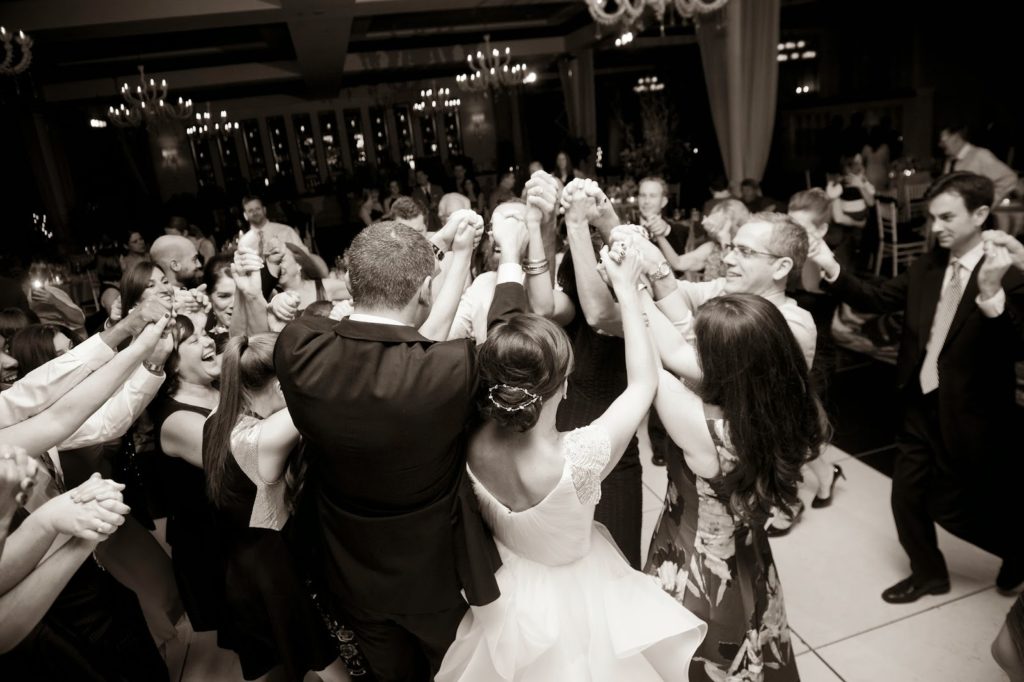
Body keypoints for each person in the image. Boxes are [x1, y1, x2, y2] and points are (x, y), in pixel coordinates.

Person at [437, 247, 706, 681]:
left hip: (509, 596)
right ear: (563, 386)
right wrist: (627, 288)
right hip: (584, 595)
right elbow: (643, 383)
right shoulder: (579, 456)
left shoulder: (467, 436)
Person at [274, 216, 523, 681]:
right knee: (456, 670)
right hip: (436, 575)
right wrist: (508, 261)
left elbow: (401, 346)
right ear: (427, 287)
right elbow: (512, 345)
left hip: (349, 568)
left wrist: (449, 250)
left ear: (348, 279)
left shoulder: (297, 347)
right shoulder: (448, 371)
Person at [807, 171, 1024, 602]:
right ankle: (928, 574)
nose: (935, 228)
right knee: (905, 497)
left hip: (974, 412)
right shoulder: (927, 266)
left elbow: (1017, 344)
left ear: (981, 214)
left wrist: (991, 294)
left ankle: (1017, 551)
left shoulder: (1011, 271)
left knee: (965, 507)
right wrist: (830, 265)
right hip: (918, 400)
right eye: (932, 218)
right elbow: (876, 296)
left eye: (947, 217)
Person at [646, 293, 823, 682]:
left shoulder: (706, 430)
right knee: (755, 637)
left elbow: (649, 369)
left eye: (701, 347)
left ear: (725, 366)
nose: (692, 349)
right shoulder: (784, 403)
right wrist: (639, 286)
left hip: (699, 569)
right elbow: (675, 349)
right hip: (749, 553)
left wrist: (627, 296)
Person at [202, 333, 350, 681]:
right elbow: (331, 393)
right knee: (326, 663)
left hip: (241, 566)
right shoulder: (263, 438)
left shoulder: (217, 418)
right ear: (279, 386)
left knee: (278, 660)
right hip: (276, 570)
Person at [940, 124, 1018, 204]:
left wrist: (986, 203)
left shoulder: (981, 155)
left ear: (956, 138)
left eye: (943, 141)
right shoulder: (951, 160)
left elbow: (1009, 179)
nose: (940, 145)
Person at [241, 195, 306, 258]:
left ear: (264, 210)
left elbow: (304, 256)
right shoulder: (244, 243)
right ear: (245, 215)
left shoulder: (286, 231)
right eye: (250, 210)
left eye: (258, 209)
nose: (255, 213)